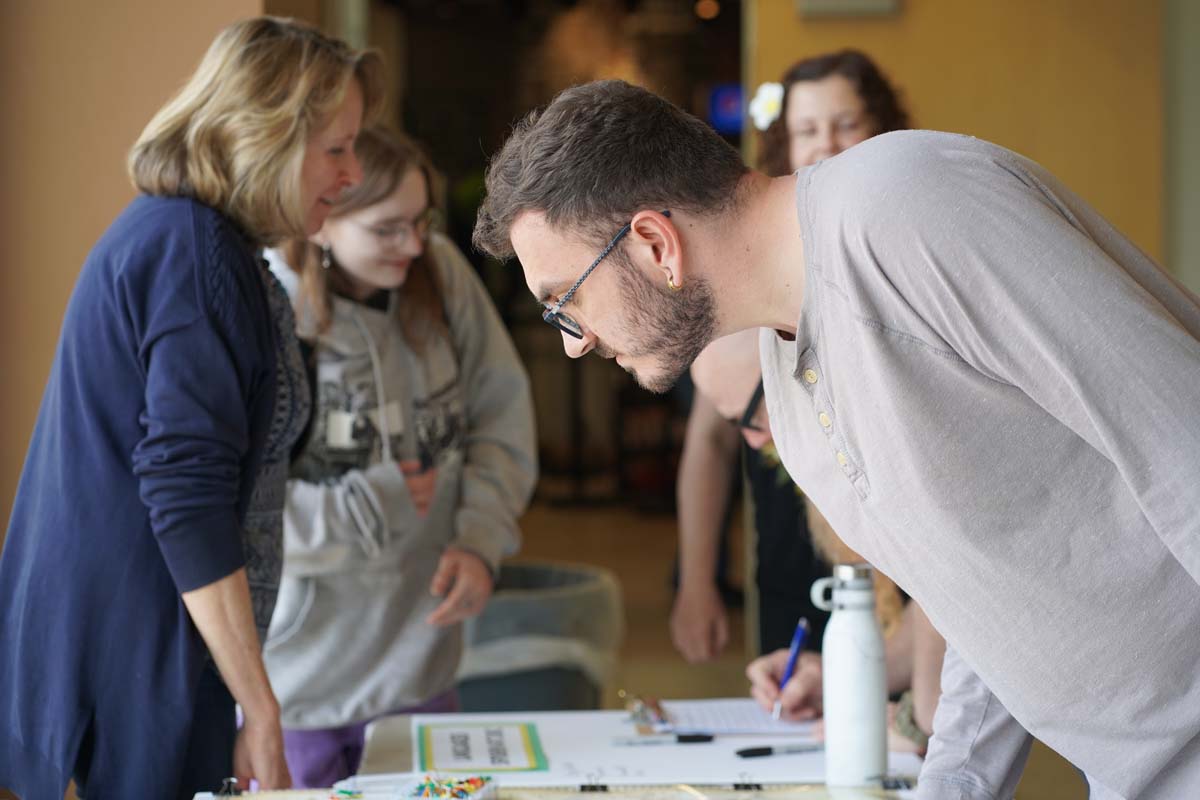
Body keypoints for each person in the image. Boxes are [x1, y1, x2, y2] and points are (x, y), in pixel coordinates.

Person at [471, 79, 1200, 799]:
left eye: (564, 302)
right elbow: (989, 598)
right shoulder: (785, 385)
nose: (575, 342)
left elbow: (1180, 442)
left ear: (656, 244)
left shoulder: (904, 206)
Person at [0, 17, 383, 798]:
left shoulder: (199, 242)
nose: (350, 176)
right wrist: (261, 710)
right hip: (136, 655)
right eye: (336, 148)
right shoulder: (193, 251)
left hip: (139, 642)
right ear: (265, 136)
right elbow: (187, 494)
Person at [262, 126, 537, 787]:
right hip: (301, 681)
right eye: (387, 229)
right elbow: (232, 510)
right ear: (322, 221)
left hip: (421, 663)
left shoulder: (438, 273)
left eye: (421, 221)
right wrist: (369, 504)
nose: (413, 245)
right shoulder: (272, 307)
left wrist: (479, 539)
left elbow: (502, 414)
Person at [671, 49, 911, 664]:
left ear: (883, 127)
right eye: (807, 130)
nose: (826, 145)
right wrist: (697, 580)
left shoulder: (910, 245)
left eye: (846, 124)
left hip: (912, 558)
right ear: (784, 143)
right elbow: (712, 439)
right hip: (794, 560)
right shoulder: (755, 267)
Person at [690, 328, 941, 755]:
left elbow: (954, 596)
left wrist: (919, 724)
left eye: (751, 415)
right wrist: (842, 676)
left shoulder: (906, 441)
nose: (752, 441)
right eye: (735, 425)